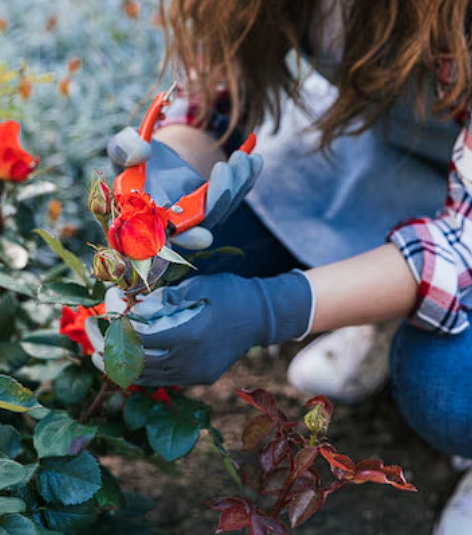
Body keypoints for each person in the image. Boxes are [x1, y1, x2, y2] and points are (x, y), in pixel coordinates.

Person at [100, 1, 472, 532]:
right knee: (202, 245)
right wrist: (171, 168)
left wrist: (271, 308)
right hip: (390, 148)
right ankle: (383, 311)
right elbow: (221, 88)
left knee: (452, 387)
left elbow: (465, 242)